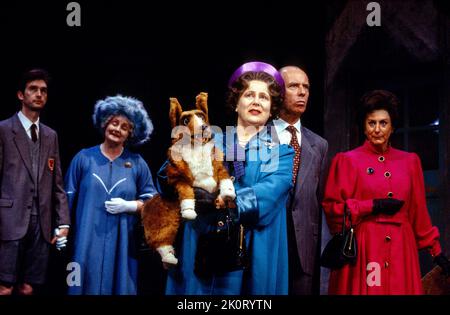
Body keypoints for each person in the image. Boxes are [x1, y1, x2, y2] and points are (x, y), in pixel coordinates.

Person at [165, 61, 294, 294]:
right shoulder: (209, 137)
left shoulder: (281, 151)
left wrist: (224, 203)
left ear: (272, 107)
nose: (256, 101)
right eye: (249, 95)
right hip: (202, 238)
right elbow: (171, 172)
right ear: (236, 104)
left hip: (253, 246)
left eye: (264, 97)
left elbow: (272, 190)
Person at [322, 90, 450, 294]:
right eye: (371, 123)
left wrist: (436, 252)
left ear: (392, 127)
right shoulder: (347, 161)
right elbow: (332, 210)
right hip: (366, 247)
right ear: (364, 127)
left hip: (401, 248)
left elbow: (419, 213)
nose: (377, 129)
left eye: (383, 123)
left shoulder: (410, 162)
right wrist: (371, 206)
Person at [65, 95, 157, 295]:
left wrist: (132, 205)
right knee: (77, 284)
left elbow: (154, 202)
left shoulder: (138, 163)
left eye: (125, 127)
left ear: (131, 134)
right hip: (84, 243)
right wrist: (61, 228)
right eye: (115, 123)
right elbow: (66, 199)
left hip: (123, 246)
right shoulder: (83, 158)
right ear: (105, 122)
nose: (117, 129)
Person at [0, 69, 70, 295]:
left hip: (41, 223)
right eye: (33, 89)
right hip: (9, 220)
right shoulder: (3, 129)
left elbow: (57, 183)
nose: (39, 94)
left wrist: (64, 223)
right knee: (4, 286)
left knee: (29, 288)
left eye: (44, 91)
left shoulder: (51, 135)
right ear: (21, 95)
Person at [272, 66, 328, 294]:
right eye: (294, 86)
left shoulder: (319, 145)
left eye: (306, 87)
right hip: (268, 241)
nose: (302, 92)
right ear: (278, 92)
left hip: (304, 245)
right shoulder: (257, 135)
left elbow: (319, 198)